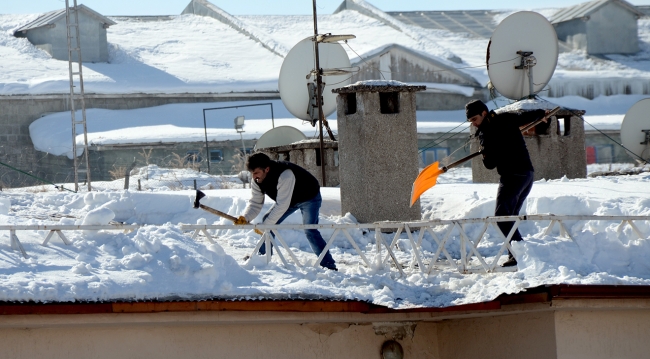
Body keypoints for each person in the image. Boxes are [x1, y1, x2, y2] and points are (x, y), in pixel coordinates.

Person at [466, 99, 548, 267]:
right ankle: (517, 255)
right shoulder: (504, 118)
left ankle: (521, 256)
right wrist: (542, 114)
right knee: (509, 219)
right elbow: (524, 115)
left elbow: (490, 165)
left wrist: (485, 153)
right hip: (527, 174)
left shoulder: (485, 133)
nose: (473, 124)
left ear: (483, 113)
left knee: (503, 219)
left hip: (512, 176)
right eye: (470, 121)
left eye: (474, 119)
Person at [235, 152, 337, 270]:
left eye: (256, 173)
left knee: (310, 229)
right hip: (288, 200)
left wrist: (266, 225)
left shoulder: (285, 174)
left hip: (309, 197)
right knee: (267, 222)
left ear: (266, 169)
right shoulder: (257, 181)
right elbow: (256, 203)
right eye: (252, 173)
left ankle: (328, 264)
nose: (254, 177)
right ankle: (262, 257)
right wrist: (246, 217)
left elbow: (282, 205)